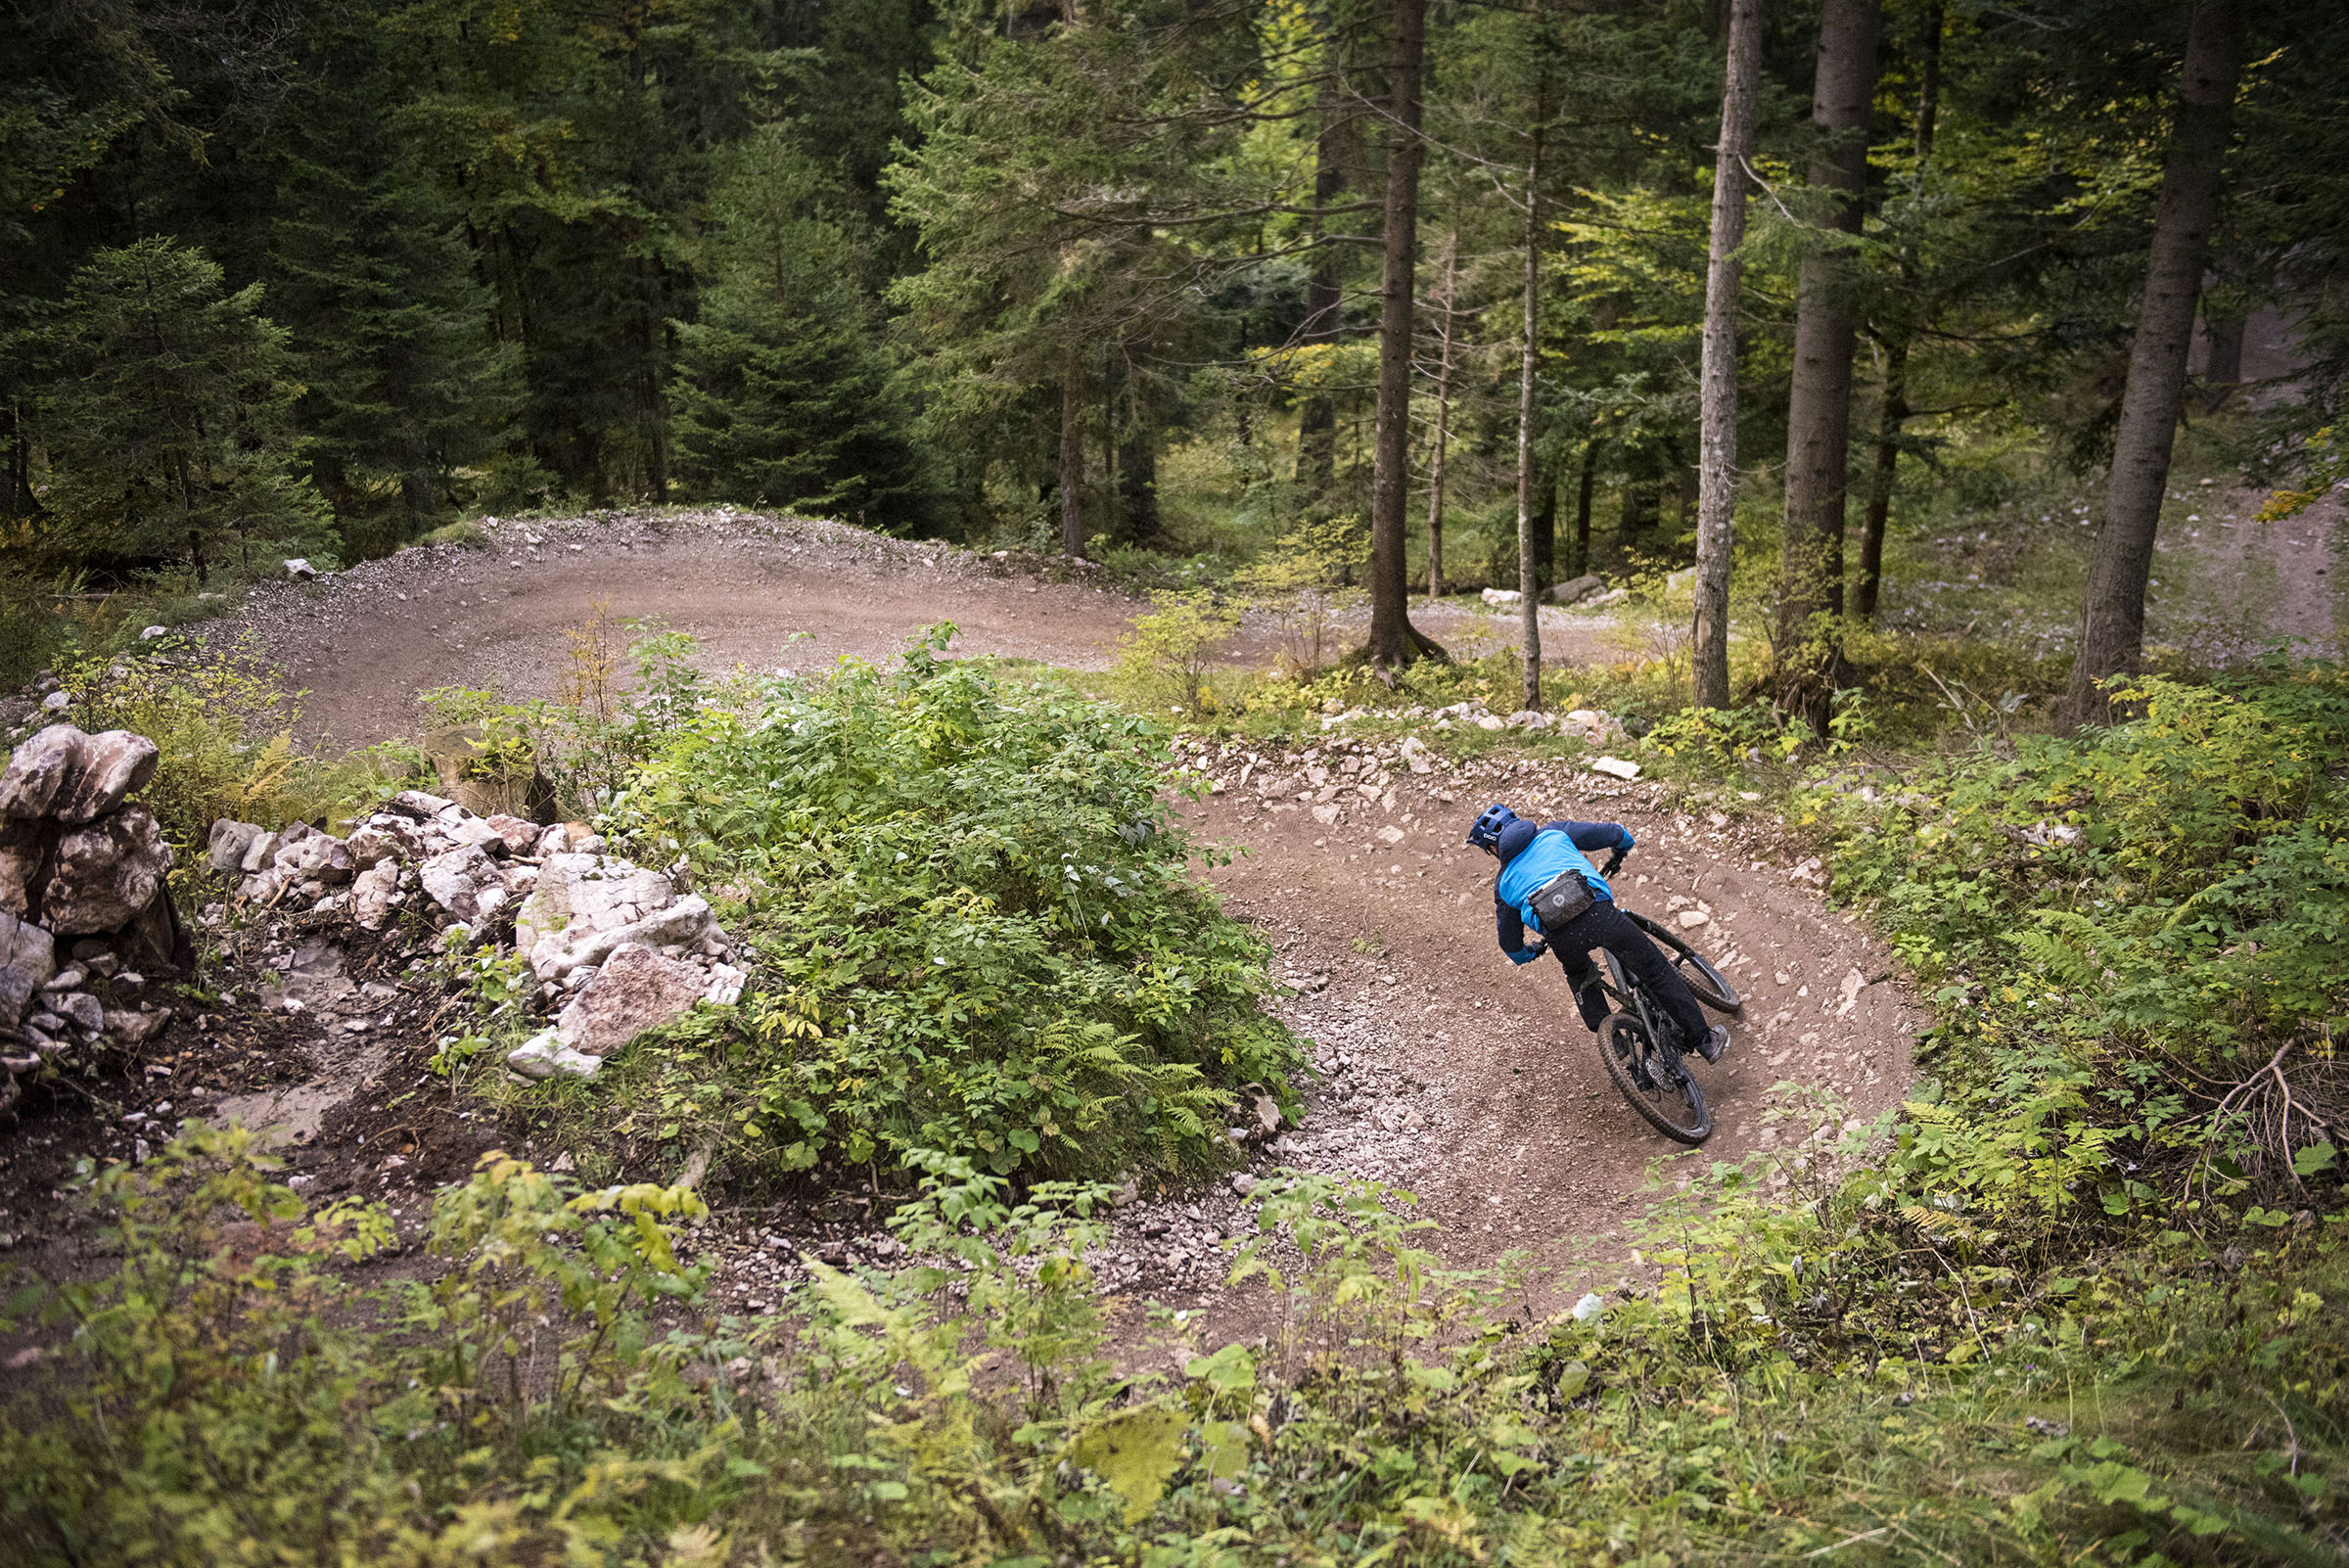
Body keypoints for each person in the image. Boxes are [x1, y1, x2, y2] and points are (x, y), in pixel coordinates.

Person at [1467, 803, 1727, 1062]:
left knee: (1579, 973)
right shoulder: (1555, 832)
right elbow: (1613, 833)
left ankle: (1612, 1038)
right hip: (1600, 915)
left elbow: (1510, 944)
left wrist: (1529, 953)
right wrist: (1621, 848)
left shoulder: (1503, 884)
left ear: (1493, 847)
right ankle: (1704, 1041)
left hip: (1561, 937)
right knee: (1657, 972)